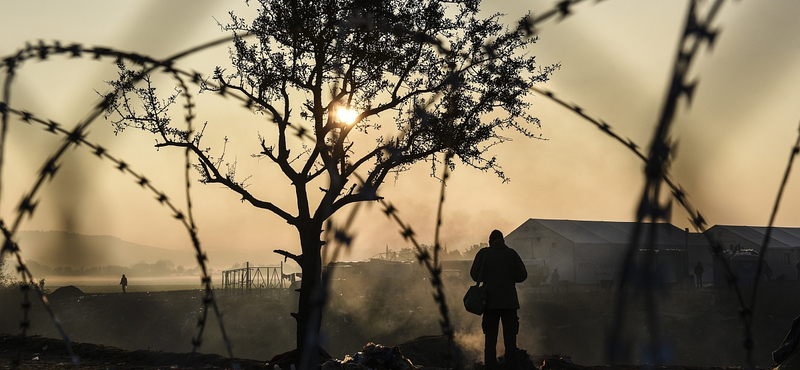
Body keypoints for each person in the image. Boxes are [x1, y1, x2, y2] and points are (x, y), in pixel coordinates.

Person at [471, 230, 527, 370]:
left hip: (489, 304)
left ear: (490, 241)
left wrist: (488, 277)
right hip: (509, 304)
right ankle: (511, 366)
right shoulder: (512, 254)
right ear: (503, 240)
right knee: (510, 340)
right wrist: (508, 277)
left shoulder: (484, 254)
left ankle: (490, 366)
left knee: (490, 340)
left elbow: (474, 275)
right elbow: (522, 275)